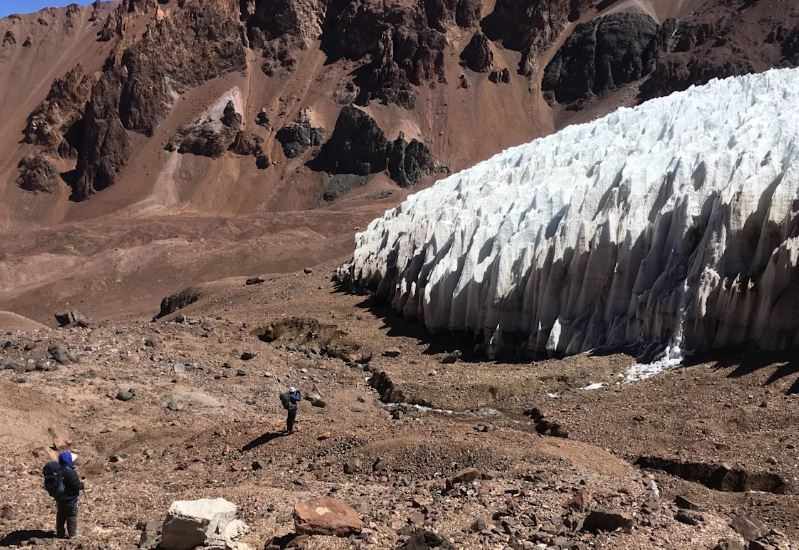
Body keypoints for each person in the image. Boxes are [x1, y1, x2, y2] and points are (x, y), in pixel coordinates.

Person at [43, 451, 85, 539]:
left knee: (61, 515)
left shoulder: (58, 470)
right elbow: (76, 485)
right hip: (70, 499)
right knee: (71, 516)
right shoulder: (69, 472)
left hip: (59, 498)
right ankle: (72, 534)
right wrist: (82, 485)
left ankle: (60, 533)